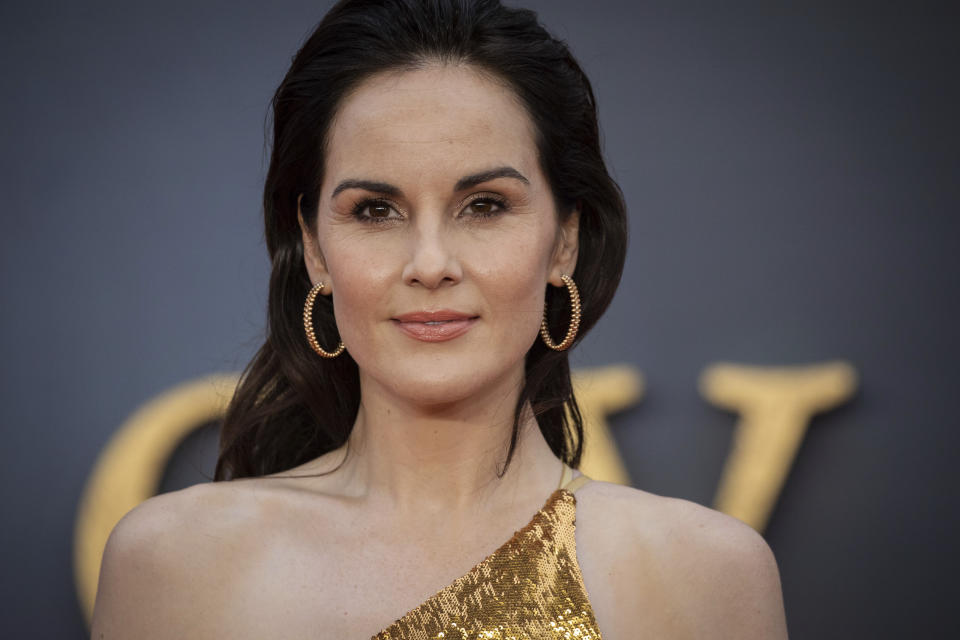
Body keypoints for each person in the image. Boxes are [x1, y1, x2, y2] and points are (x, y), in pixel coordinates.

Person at [90, 0, 789, 637]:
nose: (430, 263)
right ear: (314, 250)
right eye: (375, 210)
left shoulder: (702, 576)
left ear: (565, 240)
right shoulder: (175, 563)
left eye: (484, 205)